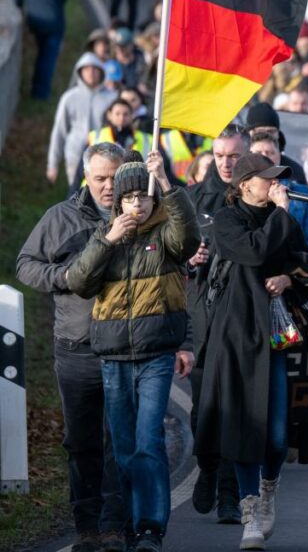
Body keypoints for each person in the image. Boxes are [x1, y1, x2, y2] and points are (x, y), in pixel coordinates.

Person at [194, 154, 308, 550]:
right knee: (244, 427)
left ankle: (269, 489)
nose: (275, 185)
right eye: (267, 179)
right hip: (237, 338)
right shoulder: (226, 219)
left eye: (277, 179)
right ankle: (249, 509)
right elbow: (253, 251)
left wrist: (290, 278)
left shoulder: (281, 218)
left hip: (277, 334)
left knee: (275, 433)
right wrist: (284, 216)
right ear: (245, 184)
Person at [66, 153, 200, 552]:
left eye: (144, 196)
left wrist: (168, 184)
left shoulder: (165, 233)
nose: (137, 205)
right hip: (112, 357)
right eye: (130, 198)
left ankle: (149, 527)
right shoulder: (104, 234)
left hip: (156, 354)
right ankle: (121, 524)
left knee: (147, 442)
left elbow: (189, 238)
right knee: (122, 446)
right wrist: (107, 242)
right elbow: (78, 282)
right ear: (118, 202)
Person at [17, 142, 129, 552]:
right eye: (100, 178)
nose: (108, 186)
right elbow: (26, 264)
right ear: (86, 177)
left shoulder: (138, 215)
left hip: (123, 346)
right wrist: (65, 276)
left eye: (115, 177)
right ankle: (85, 527)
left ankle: (116, 525)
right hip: (75, 348)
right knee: (82, 441)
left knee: (120, 438)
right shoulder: (58, 217)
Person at [185, 124, 249, 524]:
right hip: (202, 319)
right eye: (220, 155)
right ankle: (207, 468)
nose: (227, 164)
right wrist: (190, 259)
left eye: (234, 156)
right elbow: (171, 254)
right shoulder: (194, 199)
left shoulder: (253, 198)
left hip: (241, 318)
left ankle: (229, 491)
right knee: (203, 408)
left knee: (234, 408)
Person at [249, 131, 308, 261]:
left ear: (279, 156)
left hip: (295, 269)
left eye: (270, 153)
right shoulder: (240, 192)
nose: (265, 157)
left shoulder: (301, 193)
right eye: (258, 154)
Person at [48, 52, 118, 186]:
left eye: (94, 69)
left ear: (101, 71)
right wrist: (53, 164)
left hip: (105, 154)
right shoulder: (69, 98)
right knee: (78, 194)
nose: (91, 73)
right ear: (79, 72)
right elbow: (59, 131)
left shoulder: (112, 98)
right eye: (86, 69)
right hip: (75, 154)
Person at [15, 0, 67, 100]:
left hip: (35, 24)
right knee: (47, 59)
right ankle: (40, 93)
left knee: (41, 56)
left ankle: (35, 86)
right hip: (54, 24)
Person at [246, 102, 308, 185]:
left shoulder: (293, 172)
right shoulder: (235, 166)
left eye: (271, 131)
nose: (266, 136)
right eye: (259, 132)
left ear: (278, 134)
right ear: (248, 133)